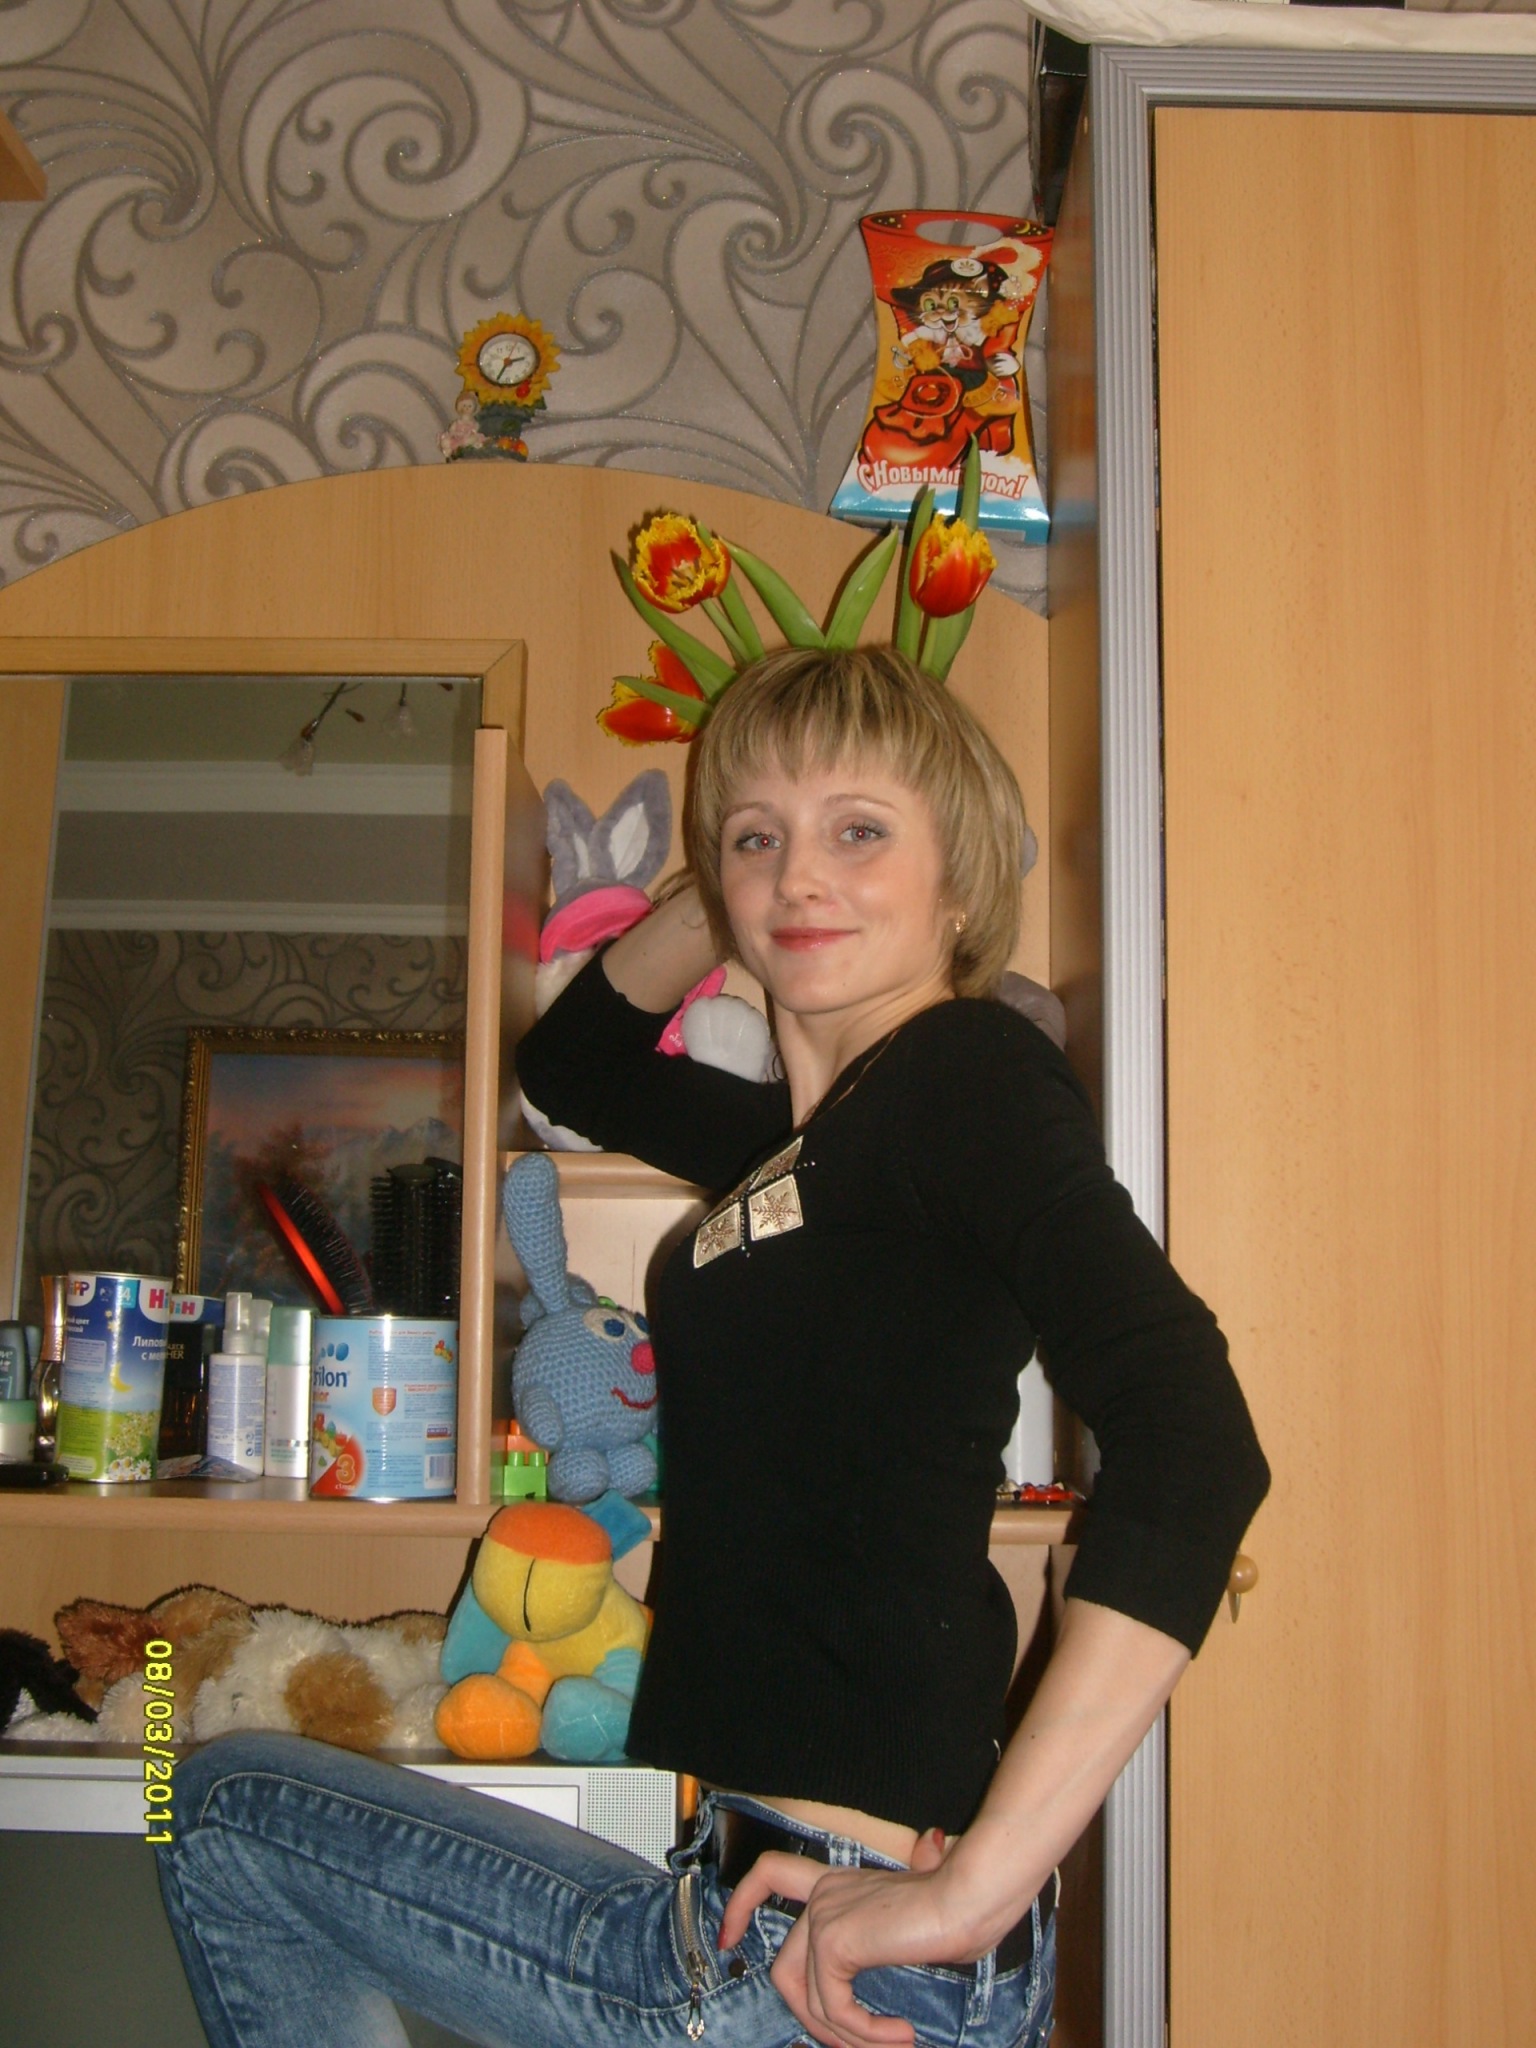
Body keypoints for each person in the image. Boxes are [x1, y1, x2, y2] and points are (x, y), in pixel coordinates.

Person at [157, 645, 1268, 2048]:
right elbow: (572, 1067)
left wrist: (979, 1886)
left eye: (860, 833)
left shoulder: (962, 1076)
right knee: (220, 1809)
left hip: (830, 1946)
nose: (801, 877)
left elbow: (1194, 1441)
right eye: (762, 840)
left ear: (963, 881)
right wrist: (727, 879)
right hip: (765, 1909)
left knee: (222, 1807)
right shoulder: (805, 1154)